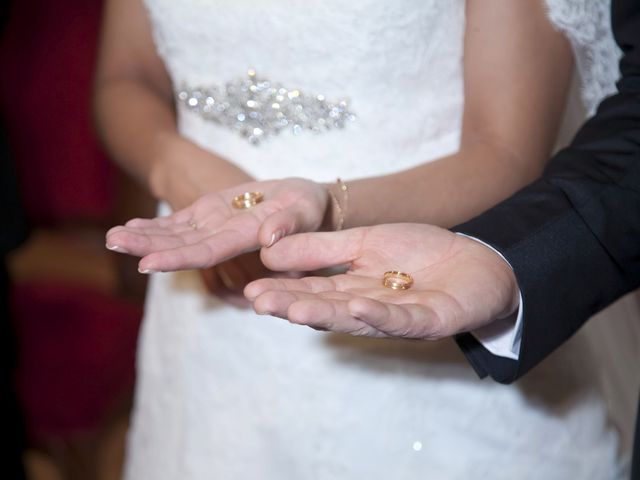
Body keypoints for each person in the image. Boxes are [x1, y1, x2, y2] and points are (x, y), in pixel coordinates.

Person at [100, 0, 630, 477]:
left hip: (412, 298)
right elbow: (124, 76)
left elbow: (505, 150)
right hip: (206, 325)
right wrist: (174, 166)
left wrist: (320, 211)